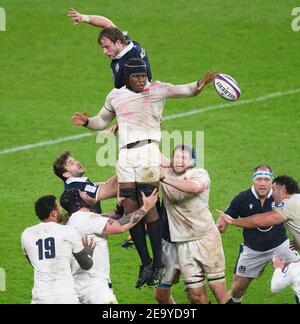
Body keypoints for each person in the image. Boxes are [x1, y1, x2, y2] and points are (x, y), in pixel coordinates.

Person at [72, 58, 216, 288]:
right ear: (127, 78)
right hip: (124, 155)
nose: (142, 80)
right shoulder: (115, 96)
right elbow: (101, 121)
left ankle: (158, 263)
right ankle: (146, 262)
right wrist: (86, 121)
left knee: (147, 204)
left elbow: (185, 90)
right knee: (130, 206)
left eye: (143, 76)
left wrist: (201, 83)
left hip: (149, 152)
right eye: (137, 77)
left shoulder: (156, 88)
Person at [216, 166, 299, 304]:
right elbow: (226, 216)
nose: (262, 183)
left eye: (266, 179)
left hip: (281, 246)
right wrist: (221, 225)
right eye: (259, 179)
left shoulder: (278, 196)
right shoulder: (242, 198)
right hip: (253, 250)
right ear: (253, 181)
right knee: (237, 289)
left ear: (272, 182)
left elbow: (264, 220)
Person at [159, 145, 231, 304]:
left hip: (206, 239)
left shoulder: (199, 174)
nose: (179, 160)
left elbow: (196, 187)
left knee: (219, 292)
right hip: (183, 243)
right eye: (176, 157)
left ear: (192, 161)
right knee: (196, 296)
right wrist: (122, 126)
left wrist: (163, 179)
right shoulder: (166, 171)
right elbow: (147, 147)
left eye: (184, 158)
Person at [60, 187, 158, 304]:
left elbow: (110, 218)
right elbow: (119, 227)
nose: (87, 193)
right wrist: (146, 207)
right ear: (78, 201)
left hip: (82, 283)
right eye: (83, 193)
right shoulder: (86, 219)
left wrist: (120, 207)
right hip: (94, 286)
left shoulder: (76, 220)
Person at [21, 195, 95, 304]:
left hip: (40, 297)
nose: (61, 210)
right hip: (66, 296)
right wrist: (88, 252)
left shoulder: (26, 234)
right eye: (59, 207)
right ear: (54, 213)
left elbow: (34, 263)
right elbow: (86, 265)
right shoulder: (68, 231)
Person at [68, 8, 152, 89]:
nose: (104, 51)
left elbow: (139, 91)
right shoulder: (124, 41)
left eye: (107, 47)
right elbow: (107, 24)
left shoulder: (131, 63)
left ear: (118, 43)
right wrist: (83, 18)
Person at [217, 175, 300, 248]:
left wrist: (232, 221)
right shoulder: (297, 199)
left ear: (283, 191)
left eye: (273, 190)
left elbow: (259, 221)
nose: (271, 194)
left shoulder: (288, 204)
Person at [53, 151, 118, 214]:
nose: (77, 162)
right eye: (71, 163)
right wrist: (124, 169)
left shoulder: (73, 185)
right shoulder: (80, 187)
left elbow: (105, 184)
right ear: (67, 174)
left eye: (75, 160)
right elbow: (109, 190)